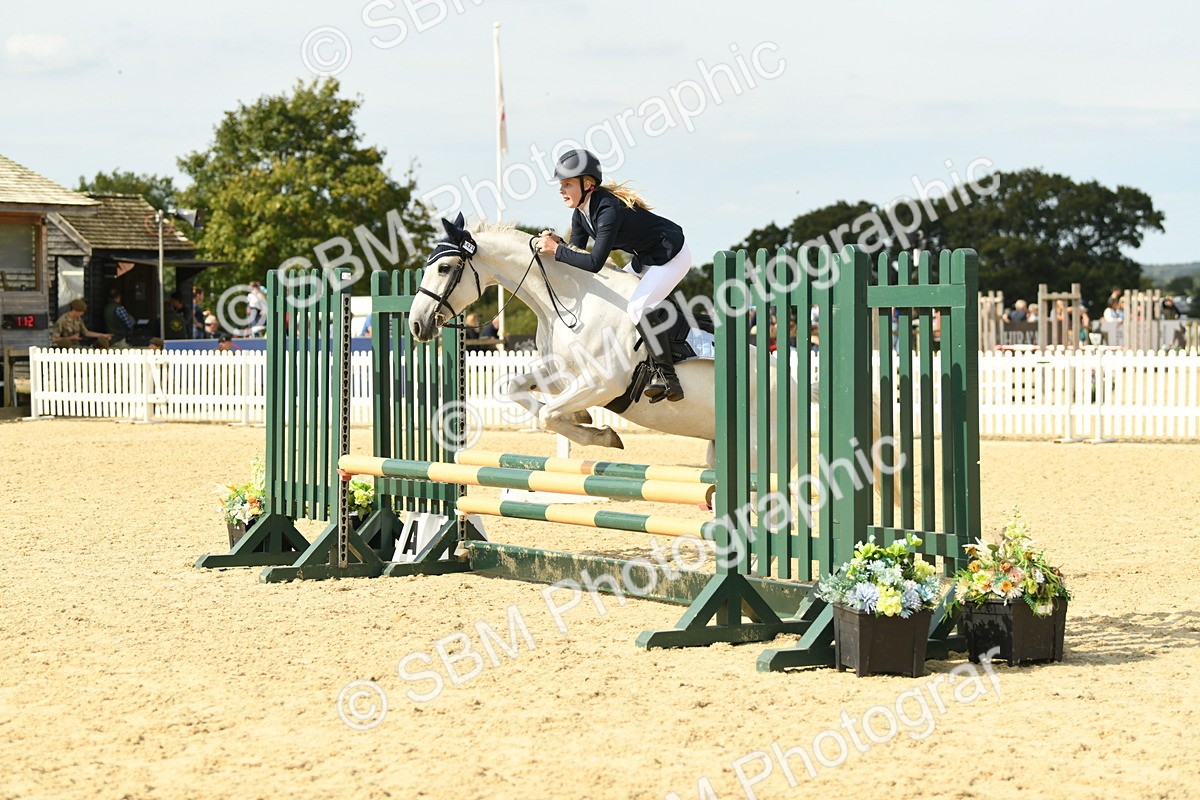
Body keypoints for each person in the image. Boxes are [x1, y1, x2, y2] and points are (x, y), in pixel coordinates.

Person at [535, 149, 690, 402]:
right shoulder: (580, 214)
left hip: (672, 257)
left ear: (587, 184)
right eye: (561, 185)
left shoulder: (608, 209)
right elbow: (575, 254)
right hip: (646, 258)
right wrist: (558, 245)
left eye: (567, 184)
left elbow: (595, 263)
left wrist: (557, 250)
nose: (561, 190)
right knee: (617, 300)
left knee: (639, 306)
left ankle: (668, 379)